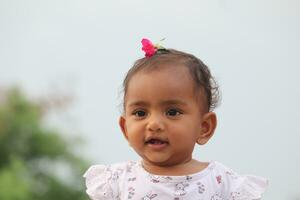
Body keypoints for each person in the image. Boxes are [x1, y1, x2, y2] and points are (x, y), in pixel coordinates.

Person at [83, 38, 268, 200]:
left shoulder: (224, 184)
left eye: (172, 112)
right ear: (125, 128)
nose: (154, 124)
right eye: (140, 113)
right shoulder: (116, 182)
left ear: (204, 127)